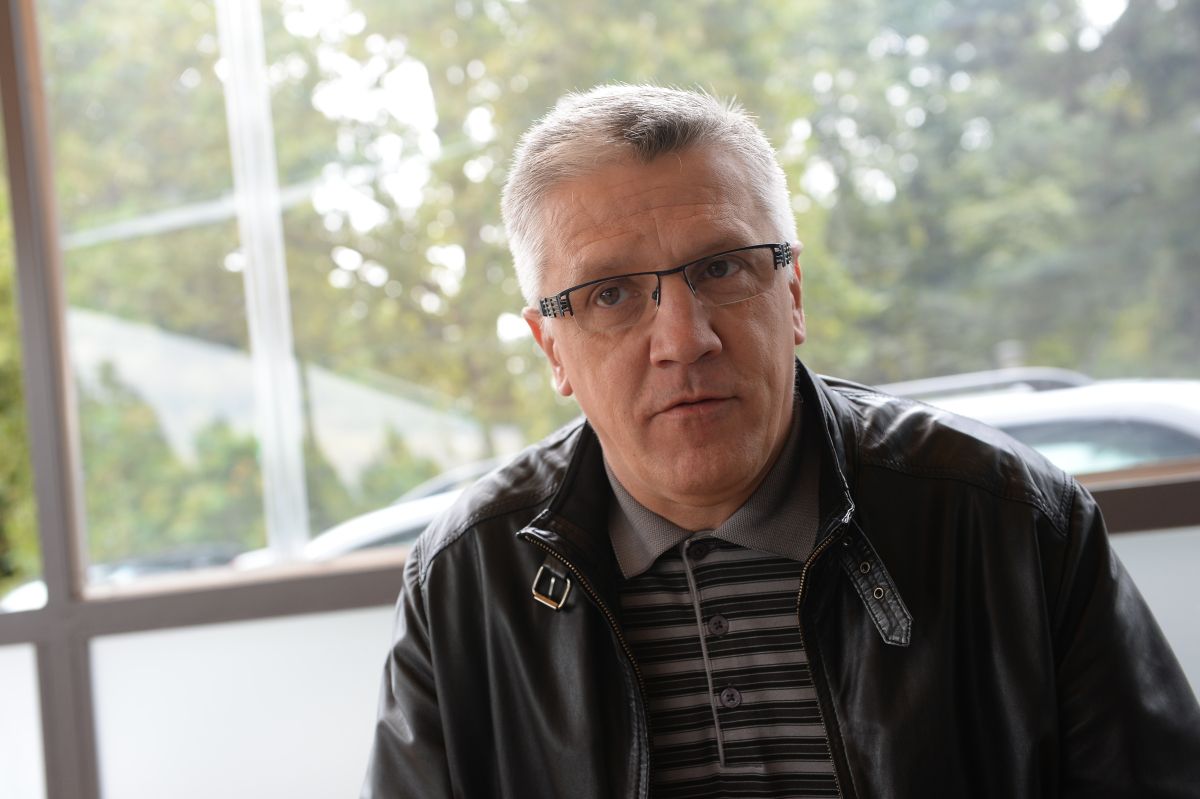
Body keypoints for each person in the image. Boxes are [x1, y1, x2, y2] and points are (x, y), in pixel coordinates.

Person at [361, 84, 1200, 798]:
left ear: (791, 292)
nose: (684, 339)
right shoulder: (464, 582)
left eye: (721, 268)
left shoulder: (1014, 523)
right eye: (611, 293)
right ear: (553, 349)